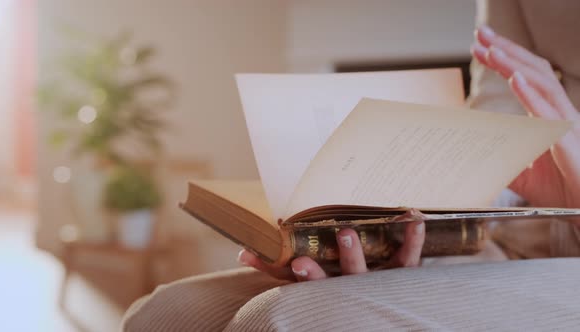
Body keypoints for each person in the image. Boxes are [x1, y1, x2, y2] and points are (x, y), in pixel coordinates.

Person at [122, 2, 580, 330]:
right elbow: (499, 123)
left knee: (280, 321)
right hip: (506, 240)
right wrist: (372, 221)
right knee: (165, 312)